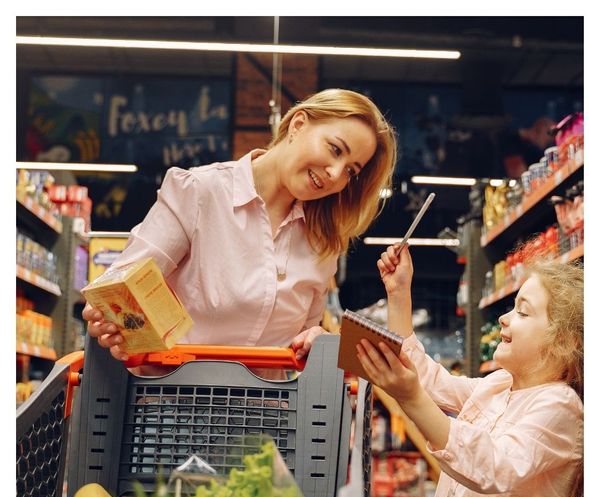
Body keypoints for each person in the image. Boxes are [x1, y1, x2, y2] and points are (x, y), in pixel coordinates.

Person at [82, 88, 397, 366]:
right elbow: (122, 285)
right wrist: (115, 321)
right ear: (299, 125)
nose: (335, 174)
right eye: (335, 149)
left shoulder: (322, 240)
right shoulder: (200, 192)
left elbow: (303, 340)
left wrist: (317, 340)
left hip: (264, 424)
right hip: (173, 414)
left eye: (350, 171)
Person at [356, 245, 583, 497]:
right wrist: (399, 294)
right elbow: (431, 380)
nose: (505, 318)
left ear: (560, 341)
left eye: (523, 312)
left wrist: (411, 397)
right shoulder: (499, 385)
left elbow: (492, 465)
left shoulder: (560, 407)